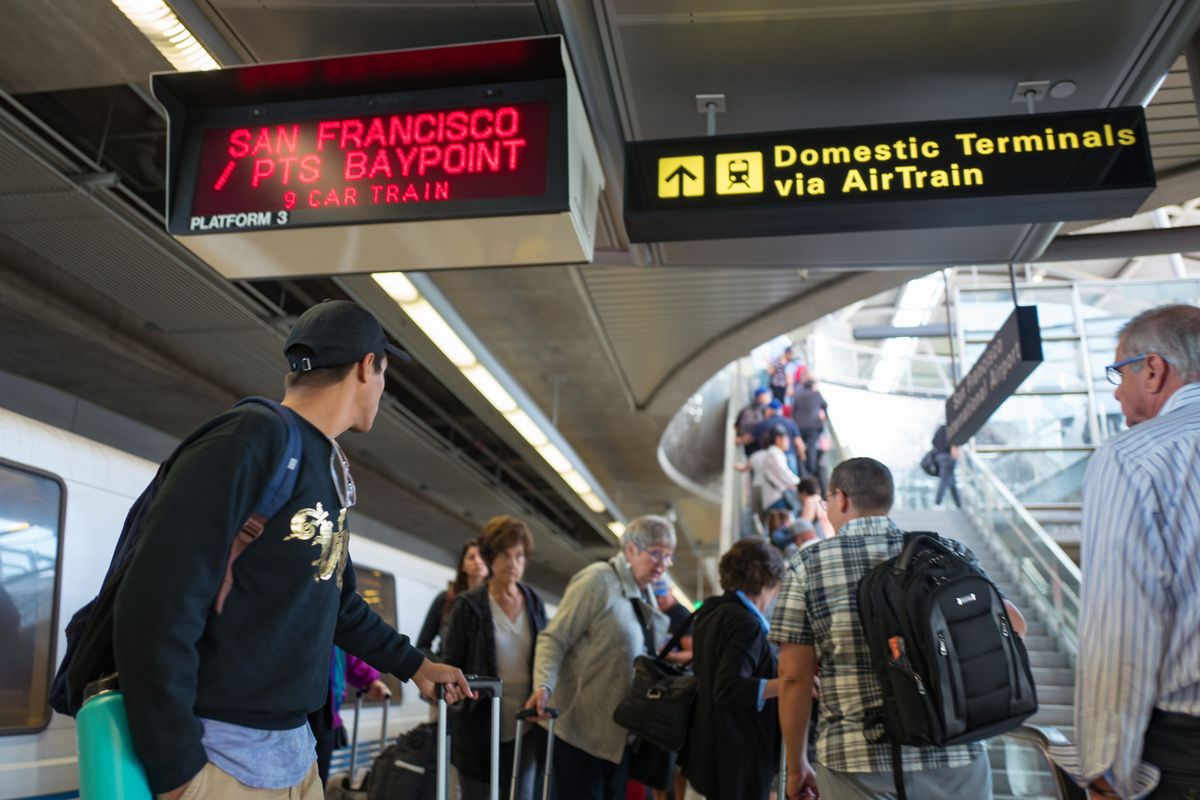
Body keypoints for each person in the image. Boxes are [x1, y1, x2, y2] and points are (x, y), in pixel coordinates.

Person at [111, 300, 473, 800]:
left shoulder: (327, 464)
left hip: (295, 755)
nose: (383, 389)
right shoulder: (250, 439)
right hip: (220, 758)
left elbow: (336, 601)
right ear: (368, 366)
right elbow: (154, 601)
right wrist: (176, 769)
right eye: (385, 374)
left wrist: (414, 665)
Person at [771, 457, 1026, 800]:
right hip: (957, 752)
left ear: (841, 499)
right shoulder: (947, 552)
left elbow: (794, 677)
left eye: (827, 501)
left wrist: (798, 763)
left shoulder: (808, 564)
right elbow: (1016, 626)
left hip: (857, 760)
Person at [1050, 305, 1200, 800]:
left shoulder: (1134, 458)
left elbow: (1122, 629)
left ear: (1153, 370)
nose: (1116, 391)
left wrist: (1105, 773)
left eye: (1120, 372)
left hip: (1183, 751)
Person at [525, 516, 675, 800]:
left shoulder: (646, 596)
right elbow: (554, 638)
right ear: (631, 549)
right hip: (576, 732)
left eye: (668, 557)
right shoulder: (598, 580)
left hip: (616, 739)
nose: (662, 564)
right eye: (655, 553)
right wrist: (543, 685)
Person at [443, 516, 548, 800]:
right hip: (479, 725)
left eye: (520, 556)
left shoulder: (534, 602)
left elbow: (546, 653)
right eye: (505, 555)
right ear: (490, 558)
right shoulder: (469, 605)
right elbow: (451, 661)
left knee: (521, 794)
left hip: (524, 725)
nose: (514, 564)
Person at [681, 538, 785, 800]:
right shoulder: (746, 625)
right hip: (737, 757)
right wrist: (789, 684)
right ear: (767, 582)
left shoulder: (712, 612)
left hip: (711, 749)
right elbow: (728, 687)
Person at [309, 649, 390, 785]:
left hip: (324, 713)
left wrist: (368, 680)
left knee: (316, 783)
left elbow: (347, 646)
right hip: (285, 711)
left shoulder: (334, 627)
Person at [416, 540, 489, 659]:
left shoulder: (494, 604)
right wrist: (441, 667)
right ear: (463, 566)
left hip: (482, 676)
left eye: (482, 557)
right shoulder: (445, 599)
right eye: (471, 557)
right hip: (448, 675)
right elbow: (422, 645)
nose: (477, 561)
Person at [751, 401, 806, 476]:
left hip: (770, 459)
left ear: (769, 410)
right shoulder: (790, 423)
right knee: (791, 483)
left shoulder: (764, 424)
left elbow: (748, 438)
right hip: (789, 457)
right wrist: (802, 456)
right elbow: (799, 444)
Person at [791, 379, 829, 484]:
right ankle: (811, 469)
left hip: (800, 426)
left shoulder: (799, 396)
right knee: (811, 447)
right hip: (813, 425)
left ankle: (802, 472)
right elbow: (825, 405)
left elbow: (794, 411)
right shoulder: (816, 394)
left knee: (800, 448)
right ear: (813, 386)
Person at [761, 427, 802, 514]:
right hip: (777, 500)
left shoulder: (775, 452)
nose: (788, 441)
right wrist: (802, 485)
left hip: (777, 499)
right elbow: (784, 473)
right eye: (786, 438)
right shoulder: (774, 452)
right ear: (778, 439)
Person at [653, 579, 694, 665]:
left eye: (663, 596)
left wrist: (666, 654)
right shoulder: (658, 613)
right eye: (656, 597)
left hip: (675, 672)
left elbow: (691, 653)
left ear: (671, 591)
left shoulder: (681, 615)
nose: (659, 600)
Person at [735, 388, 774, 456]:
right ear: (760, 397)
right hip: (759, 444)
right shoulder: (767, 411)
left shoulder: (746, 409)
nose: (769, 397)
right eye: (767, 395)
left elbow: (736, 426)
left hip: (747, 444)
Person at [931, 424, 961, 509]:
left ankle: (958, 504)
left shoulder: (940, 430)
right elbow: (955, 442)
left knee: (952, 481)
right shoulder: (952, 429)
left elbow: (933, 442)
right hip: (948, 457)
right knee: (944, 480)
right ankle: (937, 503)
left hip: (940, 457)